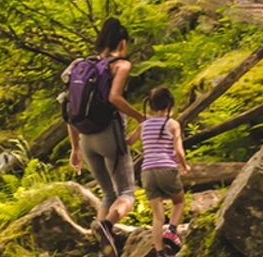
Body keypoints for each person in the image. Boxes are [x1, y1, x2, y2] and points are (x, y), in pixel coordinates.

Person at [62, 18, 145, 257]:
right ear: (122, 42)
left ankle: (103, 250)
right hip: (110, 135)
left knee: (107, 194)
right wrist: (140, 117)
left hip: (86, 139)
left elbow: (70, 108)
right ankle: (106, 226)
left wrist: (74, 147)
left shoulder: (82, 65)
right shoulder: (121, 65)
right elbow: (114, 98)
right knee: (127, 193)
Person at [139, 87, 189, 257]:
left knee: (158, 217)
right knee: (179, 202)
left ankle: (160, 253)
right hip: (166, 168)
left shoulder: (143, 125)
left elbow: (128, 142)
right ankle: (172, 231)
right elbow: (178, 151)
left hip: (146, 171)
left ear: (151, 106)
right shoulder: (172, 124)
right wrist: (184, 166)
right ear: (170, 105)